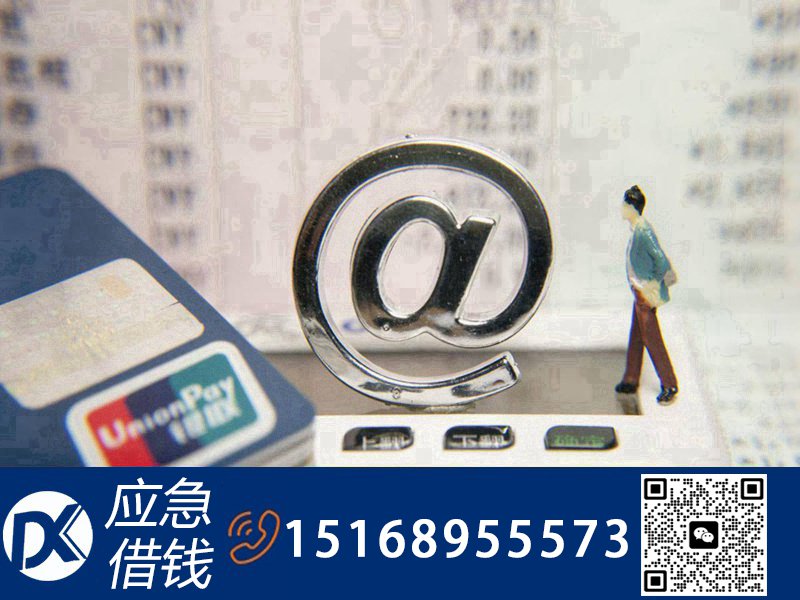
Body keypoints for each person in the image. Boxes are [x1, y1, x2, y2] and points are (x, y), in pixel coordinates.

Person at [615, 185, 679, 405]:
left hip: (645, 294)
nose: (622, 209)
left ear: (632, 208)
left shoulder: (644, 232)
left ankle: (669, 384)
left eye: (625, 205)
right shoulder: (636, 230)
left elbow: (661, 260)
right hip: (638, 292)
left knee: (652, 339)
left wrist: (652, 284)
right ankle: (631, 378)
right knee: (636, 337)